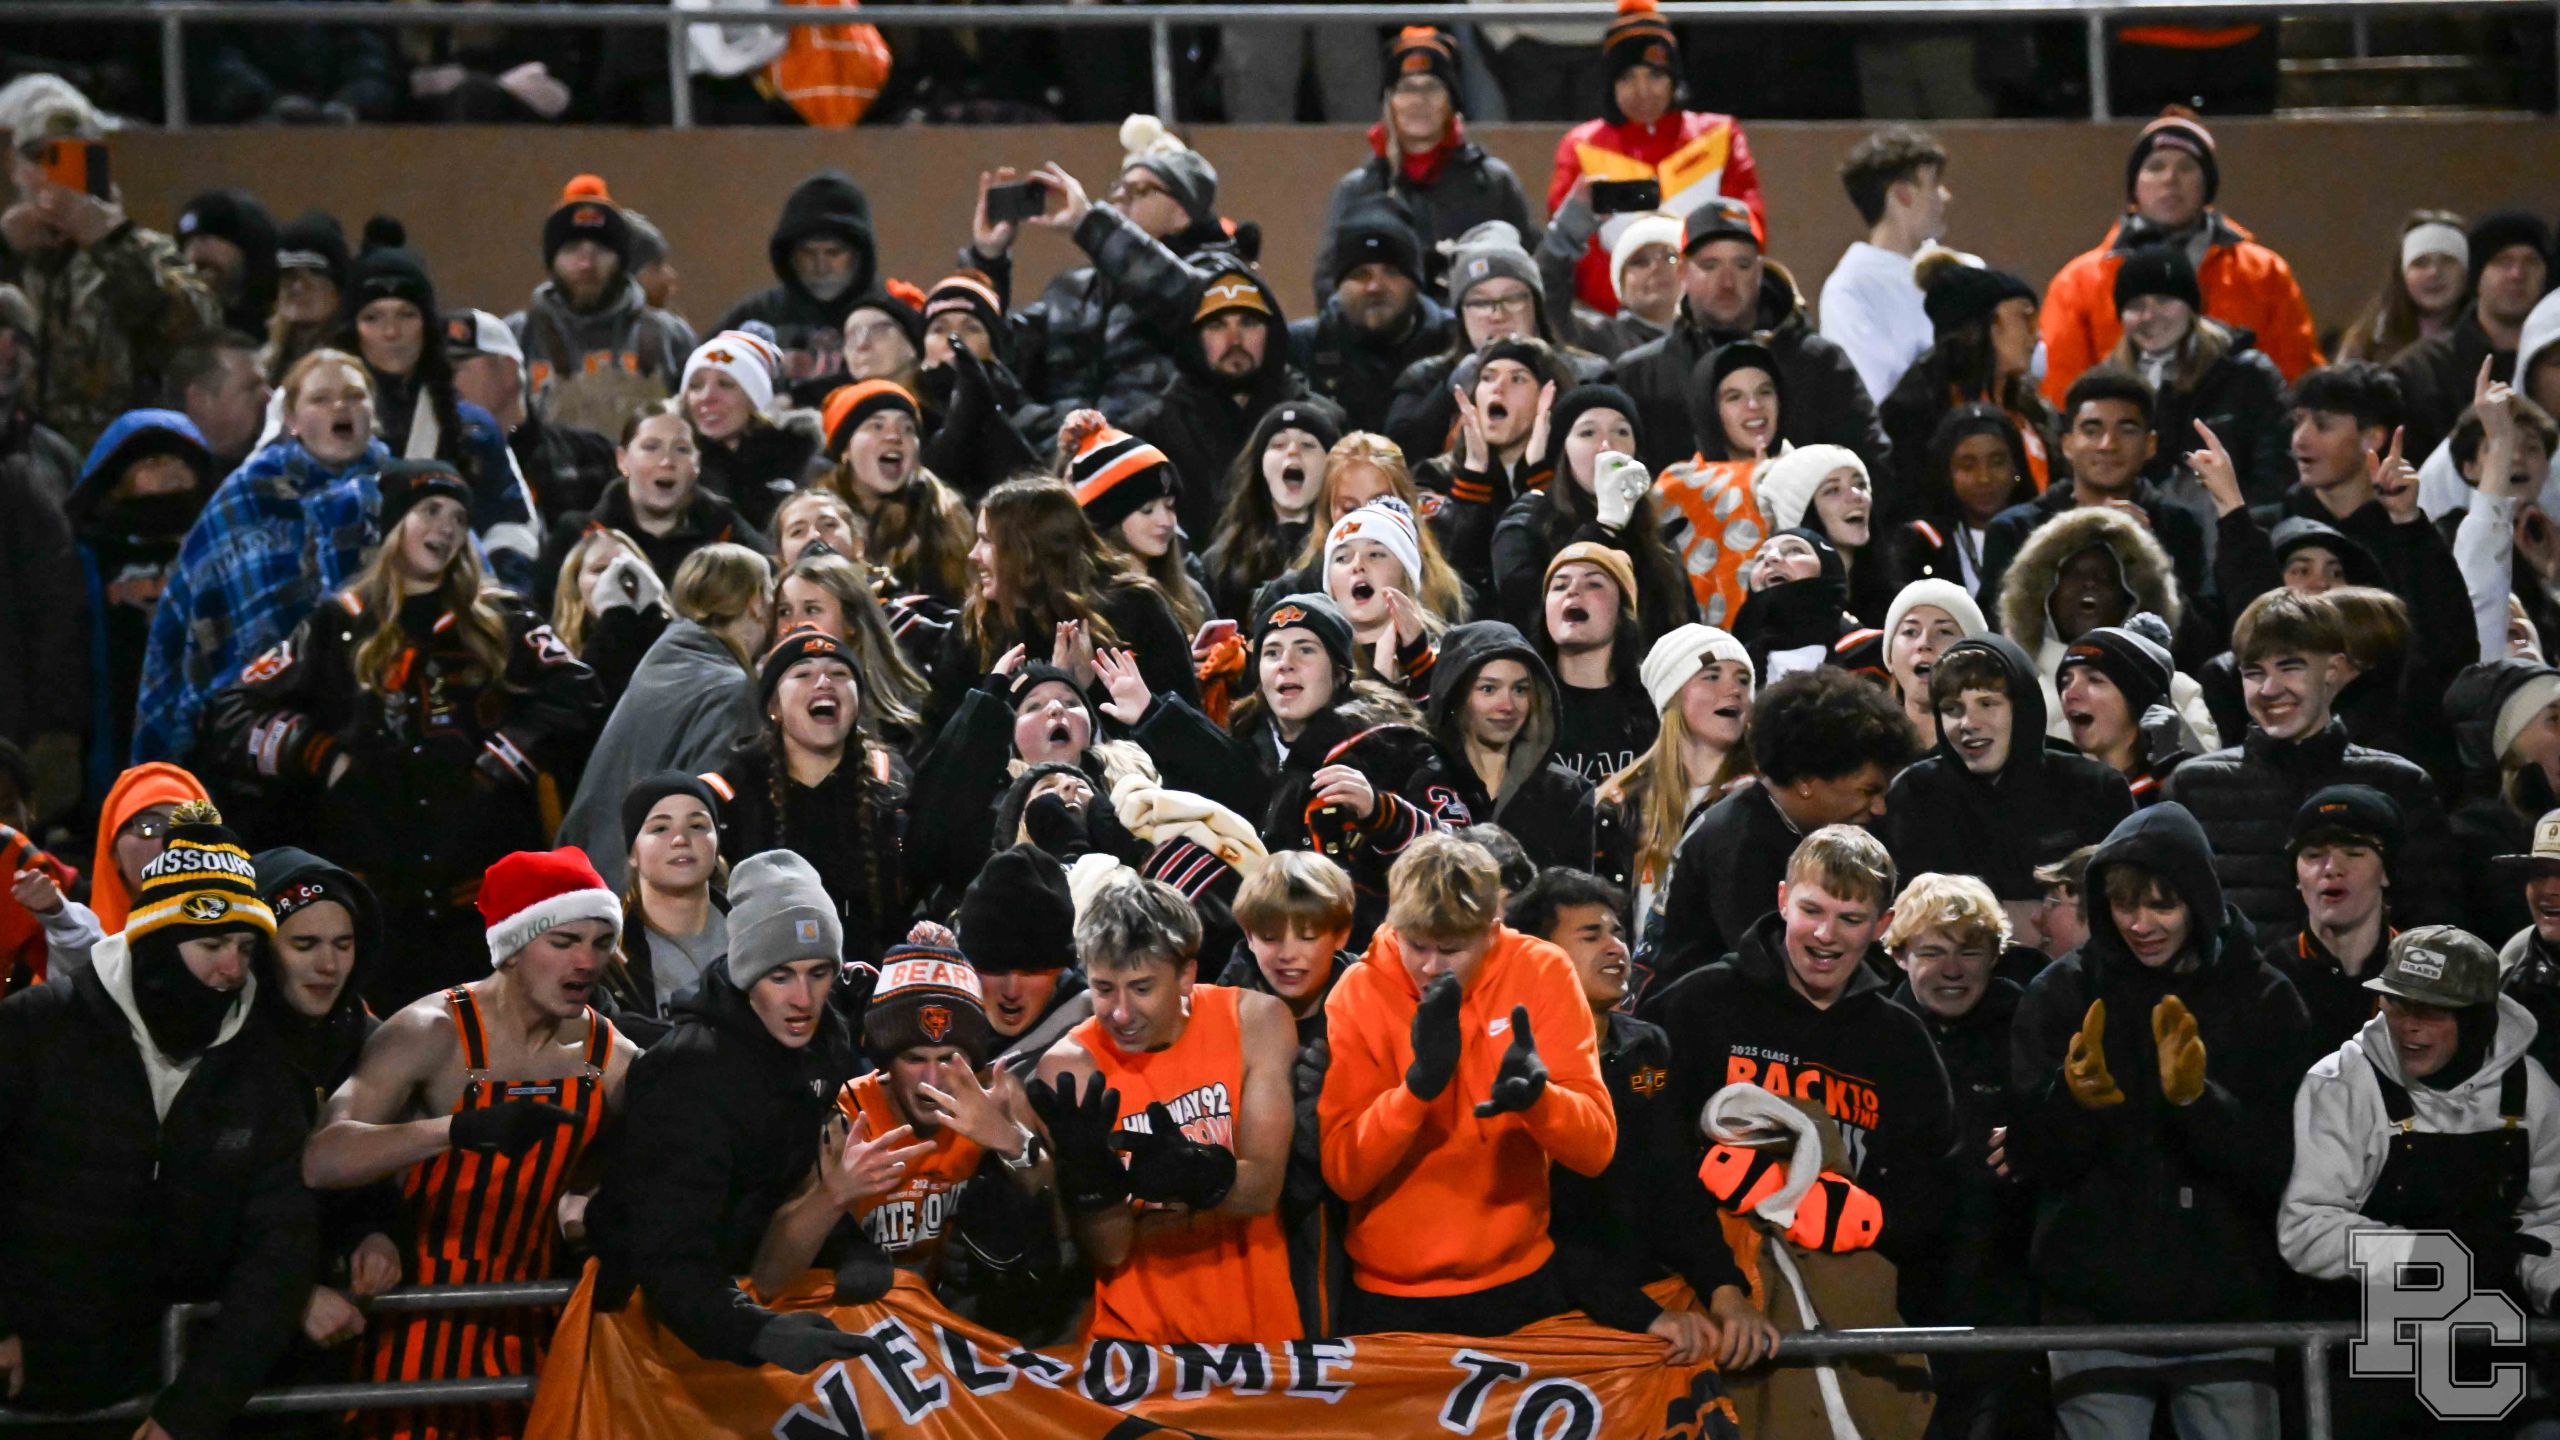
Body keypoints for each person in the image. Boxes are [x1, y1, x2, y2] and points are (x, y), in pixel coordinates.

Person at [202, 459, 606, 1009]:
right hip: (371, 903)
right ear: (393, 524)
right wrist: (320, 755)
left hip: (481, 899)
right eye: (430, 511)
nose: (446, 527)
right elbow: (230, 711)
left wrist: (506, 756)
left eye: (459, 517)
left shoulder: (500, 616)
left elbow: (581, 692)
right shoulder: (339, 623)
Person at [0, 801, 315, 1436]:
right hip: (23, 1389)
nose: (231, 969)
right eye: (212, 944)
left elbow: (277, 1253)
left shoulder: (264, 1066)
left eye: (245, 947)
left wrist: (196, 1406)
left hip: (166, 1393)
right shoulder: (37, 1028)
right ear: (159, 943)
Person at [304, 846, 637, 1439]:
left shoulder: (612, 1057)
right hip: (414, 1322)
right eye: (564, 942)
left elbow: (614, 1181)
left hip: (534, 1322)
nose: (587, 962)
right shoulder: (431, 1030)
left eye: (601, 942)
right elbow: (322, 1158)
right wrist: (453, 1130)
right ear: (512, 947)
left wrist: (587, 1212)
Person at [2007, 803, 2313, 1439]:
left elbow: (2280, 1165)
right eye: (2123, 905)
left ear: (2199, 900)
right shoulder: (2061, 992)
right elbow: (2030, 1160)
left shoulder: (2265, 997)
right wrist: (2072, 1098)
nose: (2140, 924)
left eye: (2162, 905)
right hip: (2093, 1313)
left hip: (2227, 1313)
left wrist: (2199, 1102)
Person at [584, 848, 889, 1375]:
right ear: (746, 973)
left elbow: (787, 1174)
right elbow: (666, 1247)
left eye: (819, 973)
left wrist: (845, 1245)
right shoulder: (687, 1072)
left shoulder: (824, 1041)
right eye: (780, 976)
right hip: (651, 1336)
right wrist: (753, 1332)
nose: (803, 999)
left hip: (743, 1293)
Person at [1317, 833, 1615, 1334]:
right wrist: (1416, 1091)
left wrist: (1541, 1101)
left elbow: (1596, 1151)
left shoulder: (1541, 969)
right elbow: (1345, 1173)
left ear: (1492, 932)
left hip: (1520, 1282)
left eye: (1451, 949)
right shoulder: (1358, 991)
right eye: (1415, 945)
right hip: (1389, 1296)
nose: (1430, 967)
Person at [2280, 926, 2560, 1439]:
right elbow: (2306, 1231)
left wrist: (2555, 1284)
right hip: (2369, 1366)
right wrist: (2433, 1257)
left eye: (2432, 1011)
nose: (2408, 1026)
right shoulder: (2342, 1083)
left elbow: (2548, 1220)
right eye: (2398, 1005)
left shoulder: (2531, 1090)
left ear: (2477, 1019)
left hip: (2486, 1365)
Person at [1649, 826, 1959, 1270]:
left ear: (1882, 925)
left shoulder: (1902, 1042)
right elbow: (1644, 1142)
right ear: (1783, 900)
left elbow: (1933, 1180)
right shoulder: (1697, 1004)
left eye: (1851, 919)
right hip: (1697, 1276)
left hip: (1841, 1281)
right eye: (1811, 910)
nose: (1825, 933)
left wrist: (1877, 1221)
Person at [1510, 867, 1778, 1369]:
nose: (1616, 947)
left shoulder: (1646, 1048)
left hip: (1649, 1303)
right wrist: (1639, 1315)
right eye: (1591, 935)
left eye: (1617, 932)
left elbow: (1673, 1182)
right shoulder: (1517, 1069)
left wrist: (1725, 1289)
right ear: (1539, 955)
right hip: (1548, 1322)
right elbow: (1533, 1224)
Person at [1028, 873, 1301, 1341]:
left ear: (1186, 975)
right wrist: (1090, 1182)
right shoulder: (1069, 1068)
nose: (1120, 1013)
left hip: (1258, 1332)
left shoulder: (1256, 1021)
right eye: (1104, 988)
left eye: (1141, 988)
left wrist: (1194, 1173)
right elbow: (1111, 1252)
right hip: (1135, 1342)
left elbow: (1263, 1189)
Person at [133, 348, 388, 764]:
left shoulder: (408, 492)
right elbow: (188, 620)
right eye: (320, 399)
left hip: (381, 725)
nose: (340, 408)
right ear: (291, 418)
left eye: (354, 396)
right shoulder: (246, 498)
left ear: (373, 413)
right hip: (250, 737)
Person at [2165, 587, 2458, 938]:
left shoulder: (2399, 783)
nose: (2269, 689)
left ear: (2334, 669)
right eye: (2254, 672)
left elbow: (2435, 927)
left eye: (2290, 667)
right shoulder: (2195, 786)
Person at [1880, 871, 2044, 1434]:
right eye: (1932, 952)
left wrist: (2039, 1138)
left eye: (1969, 952)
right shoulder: (1874, 1033)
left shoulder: (2030, 1025)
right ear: (1899, 954)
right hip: (1898, 1291)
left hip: (2005, 1293)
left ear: (1995, 956)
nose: (1953, 970)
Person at [961, 130, 1245, 438]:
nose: (1120, 198)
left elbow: (1183, 299)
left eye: (1140, 190)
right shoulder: (1071, 290)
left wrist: (1090, 223)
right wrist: (988, 259)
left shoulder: (1218, 276)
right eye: (1119, 188)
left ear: (1181, 212)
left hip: (1157, 454)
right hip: (1067, 455)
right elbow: (1000, 351)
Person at [1652, 666, 1921, 989]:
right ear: (1806, 780)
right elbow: (1775, 975)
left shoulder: (1777, 821)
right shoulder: (1740, 843)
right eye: (1868, 791)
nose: (1879, 807)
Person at [2038, 108, 2321, 404]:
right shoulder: (2078, 283)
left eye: (2186, 167)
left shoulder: (2264, 273)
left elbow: (2296, 382)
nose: (2170, 179)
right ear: (2134, 187)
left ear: (2208, 185)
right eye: (2155, 167)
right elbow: (2062, 394)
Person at [1, 96, 221, 451]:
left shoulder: (145, 250)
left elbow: (200, 331)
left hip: (117, 458)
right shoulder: (10, 251)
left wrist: (110, 242)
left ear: (98, 166)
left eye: (75, 157)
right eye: (42, 158)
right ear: (14, 167)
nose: (55, 175)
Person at [1614, 197, 1889, 478]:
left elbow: (1871, 470)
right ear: (1683, 272)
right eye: (1710, 265)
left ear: (1759, 271)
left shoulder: (1820, 363)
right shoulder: (1639, 376)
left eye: (1742, 265)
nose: (1727, 282)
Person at [330, 220, 540, 588]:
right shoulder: (316, 415)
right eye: (373, 317)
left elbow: (512, 525)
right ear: (353, 328)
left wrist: (499, 596)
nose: (391, 332)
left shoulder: (472, 426)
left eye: (406, 315)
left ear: (427, 326)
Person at [559, 544, 771, 892]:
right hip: (640, 896)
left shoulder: (661, 661)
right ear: (755, 603)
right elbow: (702, 820)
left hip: (588, 878)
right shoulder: (729, 689)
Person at [1880, 634, 2135, 922]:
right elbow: (1901, 918)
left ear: (2023, 708)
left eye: (1987, 703)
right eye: (1952, 709)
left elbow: (2124, 906)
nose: (1969, 723)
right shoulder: (1913, 794)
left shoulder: (2096, 790)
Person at [1544, 0, 1765, 318]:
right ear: (1610, 85)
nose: (1642, 90)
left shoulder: (1720, 135)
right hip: (1616, 323)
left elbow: (1747, 226)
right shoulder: (1580, 146)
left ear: (1674, 79)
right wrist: (1636, 307)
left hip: (1709, 315)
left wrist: (1702, 298)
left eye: (1655, 75)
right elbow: (1577, 256)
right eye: (1627, 78)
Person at [705, 628, 909, 968]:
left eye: (839, 673)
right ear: (774, 706)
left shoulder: (890, 780)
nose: (824, 682)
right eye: (803, 674)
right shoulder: (731, 790)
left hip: (873, 976)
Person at [938, 476, 1201, 722]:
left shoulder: (1135, 609)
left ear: (1030, 551)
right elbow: (939, 739)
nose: (973, 554)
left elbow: (1186, 732)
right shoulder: (976, 625)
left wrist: (1083, 691)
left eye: (987, 541)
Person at [1311, 28, 1535, 304]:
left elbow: (1528, 270)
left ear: (1451, 100)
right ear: (1389, 102)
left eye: (1432, 87)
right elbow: (1328, 285)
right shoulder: (1358, 189)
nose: (1419, 101)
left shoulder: (1493, 182)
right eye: (1406, 88)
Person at [1979, 368, 2210, 613]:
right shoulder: (2016, 530)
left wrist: (2145, 557)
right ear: (2067, 444)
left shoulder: (2179, 527)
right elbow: (1999, 628)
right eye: (2092, 431)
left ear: (2150, 444)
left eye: (2127, 430)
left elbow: (2202, 632)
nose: (2108, 444)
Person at [1594, 623, 1754, 971]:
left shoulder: (1758, 801)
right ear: (1672, 693)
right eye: (1712, 676)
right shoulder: (1617, 805)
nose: (1734, 690)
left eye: (1743, 680)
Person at [1490, 383, 1698, 643]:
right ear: (1563, 451)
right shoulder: (1525, 523)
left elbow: (1685, 629)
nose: (1607, 446)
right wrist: (1605, 528)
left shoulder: (1655, 534)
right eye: (1587, 432)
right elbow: (1531, 618)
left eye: (1622, 431)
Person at [1400, 620, 1597, 870]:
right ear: (1455, 695)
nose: (1507, 706)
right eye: (1488, 689)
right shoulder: (1418, 783)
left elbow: (1577, 892)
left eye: (1520, 690)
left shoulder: (1567, 794)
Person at [2106, 244, 2292, 507]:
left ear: (2192, 307)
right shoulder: (2107, 386)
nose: (2149, 315)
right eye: (2136, 305)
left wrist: (2241, 526)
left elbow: (2275, 474)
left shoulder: (2247, 375)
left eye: (2164, 300)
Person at [1130, 263, 1305, 542]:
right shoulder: (1151, 432)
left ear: (1272, 333)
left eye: (1248, 323)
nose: (1234, 340)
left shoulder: (1315, 421)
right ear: (1195, 338)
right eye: (1217, 325)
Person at [533, 405, 769, 609]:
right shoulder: (578, 534)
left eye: (681, 449)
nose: (666, 461)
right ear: (622, 460)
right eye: (651, 447)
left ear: (697, 463)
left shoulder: (727, 531)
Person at [508, 175, 695, 434]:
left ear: (622, 260)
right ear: (551, 261)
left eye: (601, 250)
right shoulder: (517, 336)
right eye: (572, 249)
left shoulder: (669, 336)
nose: (586, 264)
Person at [1998, 506, 2202, 739]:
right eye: (2075, 575)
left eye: (2106, 577)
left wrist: (2153, 695)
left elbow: (2205, 759)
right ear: (2044, 597)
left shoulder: (2180, 691)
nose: (2090, 583)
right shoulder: (2012, 695)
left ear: (2130, 602)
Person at [1883, 248, 2051, 501]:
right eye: (2024, 317)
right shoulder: (1914, 415)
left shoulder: (2033, 413)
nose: (2036, 335)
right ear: (1985, 324)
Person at [2389, 209, 2552, 462]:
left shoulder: (2551, 365)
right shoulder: (2421, 370)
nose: (2517, 274)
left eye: (2531, 262)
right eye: (2502, 262)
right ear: (2476, 275)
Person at [714, 170, 878, 406]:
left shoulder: (887, 317)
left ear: (858, 256)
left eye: (833, 252)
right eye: (808, 253)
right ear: (789, 256)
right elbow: (698, 376)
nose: (821, 266)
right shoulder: (758, 315)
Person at [1290, 198, 1453, 435]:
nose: (1375, 286)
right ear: (1339, 285)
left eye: (1391, 272)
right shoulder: (1299, 349)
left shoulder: (1453, 345)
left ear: (1416, 282)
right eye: (1360, 274)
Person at [448, 308, 618, 531]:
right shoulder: (439, 463)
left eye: (454, 370)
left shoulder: (590, 455)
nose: (442, 382)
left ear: (508, 371)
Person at [1651, 339, 1782, 626]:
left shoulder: (1814, 472)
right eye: (1734, 397)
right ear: (1709, 409)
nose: (1754, 406)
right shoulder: (1678, 486)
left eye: (1765, 392)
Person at [2263, 784, 2403, 1048]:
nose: (2331, 868)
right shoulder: (2267, 977)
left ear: (2386, 872)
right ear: (2296, 878)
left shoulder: (2422, 970)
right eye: (2314, 855)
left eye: (2353, 853)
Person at [1820, 126, 1951, 405]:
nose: (1944, 196)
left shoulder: (1963, 269)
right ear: (1903, 195)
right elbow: (1872, 398)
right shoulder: (1849, 290)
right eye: (1933, 185)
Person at [593, 772, 727, 1037]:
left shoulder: (756, 929)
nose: (680, 839)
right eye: (660, 828)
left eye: (697, 825)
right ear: (633, 852)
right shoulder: (605, 955)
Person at [1869, 405, 2038, 604]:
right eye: (1967, 465)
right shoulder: (1920, 544)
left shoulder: (2040, 535)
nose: (1984, 478)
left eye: (1997, 462)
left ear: (2016, 468)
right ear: (1947, 473)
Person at [1063, 411, 1211, 635]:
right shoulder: (1088, 603)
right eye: (1147, 510)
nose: (1166, 521)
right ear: (1109, 519)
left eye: (1170, 506)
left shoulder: (1192, 594)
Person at [1205, 399, 1346, 622]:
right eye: (1278, 444)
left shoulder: (1347, 552)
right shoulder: (1222, 560)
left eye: (1308, 445)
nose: (1292, 452)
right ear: (1259, 464)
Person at [1537, 543, 1664, 784]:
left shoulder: (1656, 704)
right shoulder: (1525, 700)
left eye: (1594, 584)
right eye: (1560, 585)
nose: (1572, 591)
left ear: (1622, 612)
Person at [682, 328, 819, 532]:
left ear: (756, 400)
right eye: (695, 386)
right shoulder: (674, 463)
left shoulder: (803, 465)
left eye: (725, 384)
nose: (706, 397)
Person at [2056, 620, 2197, 803]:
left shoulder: (2194, 785)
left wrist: (2169, 766)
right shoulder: (2064, 790)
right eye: (2066, 681)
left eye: (2094, 679)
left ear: (2143, 700)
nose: (2070, 693)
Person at [1535, 195, 1681, 361]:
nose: (1656, 267)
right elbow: (1547, 303)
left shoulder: (1704, 335)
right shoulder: (1597, 338)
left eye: (1671, 257)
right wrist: (1567, 230)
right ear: (1620, 282)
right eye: (1639, 261)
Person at [2335, 208, 2471, 366]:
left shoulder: (2486, 336)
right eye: (2420, 263)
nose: (2434, 272)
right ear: (2402, 274)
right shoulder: (2368, 341)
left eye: (2448, 261)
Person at [1878, 576, 1988, 744]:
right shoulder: (1866, 744)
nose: (1924, 643)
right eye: (1910, 632)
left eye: (1944, 632)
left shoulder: (1999, 743)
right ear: (1889, 657)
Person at [164, 328, 270, 475]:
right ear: (200, 401)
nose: (269, 397)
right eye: (251, 388)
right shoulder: (171, 481)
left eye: (267, 385)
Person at [264, 209, 350, 388]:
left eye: (315, 272)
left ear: (338, 286)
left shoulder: (353, 366)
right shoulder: (261, 368)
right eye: (288, 273)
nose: (298, 286)